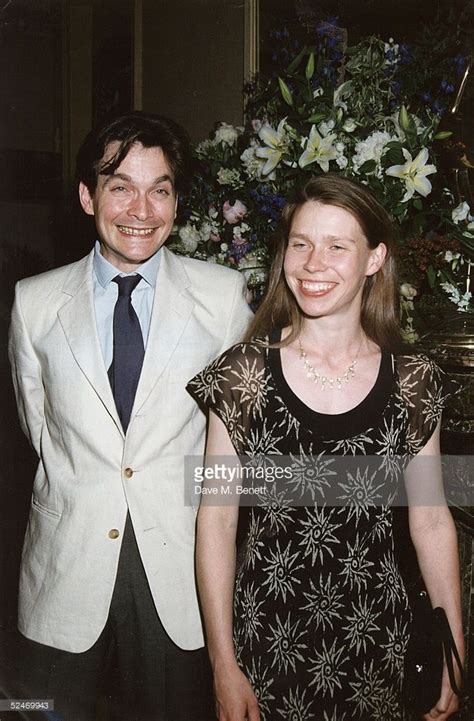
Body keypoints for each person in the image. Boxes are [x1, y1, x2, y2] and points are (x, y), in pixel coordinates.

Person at [187, 175, 464, 721]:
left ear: (374, 259)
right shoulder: (241, 377)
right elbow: (215, 523)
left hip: (381, 647)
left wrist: (454, 650)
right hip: (267, 646)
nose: (314, 263)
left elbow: (431, 520)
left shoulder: (414, 381)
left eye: (338, 246)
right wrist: (223, 664)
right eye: (301, 243)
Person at [8, 111, 252, 721]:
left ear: (176, 202)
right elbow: (40, 429)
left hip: (179, 563)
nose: (141, 210)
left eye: (160, 189)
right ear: (89, 196)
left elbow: (235, 447)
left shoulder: (222, 298)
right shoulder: (33, 302)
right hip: (66, 557)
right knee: (42, 711)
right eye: (121, 187)